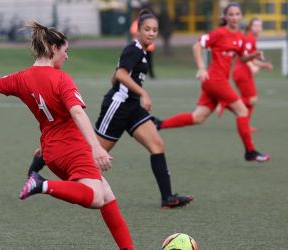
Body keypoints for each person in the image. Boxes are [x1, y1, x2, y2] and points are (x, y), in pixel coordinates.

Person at [0, 21, 134, 249]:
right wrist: (97, 147)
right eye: (65, 51)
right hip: (73, 149)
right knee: (96, 197)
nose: (67, 57)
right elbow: (78, 113)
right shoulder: (61, 79)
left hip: (52, 154)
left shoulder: (21, 78)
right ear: (53, 49)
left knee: (107, 195)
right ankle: (41, 184)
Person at [95, 9, 192, 208]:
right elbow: (121, 75)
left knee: (157, 145)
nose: (151, 33)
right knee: (94, 156)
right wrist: (144, 93)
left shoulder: (142, 51)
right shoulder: (134, 49)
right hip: (118, 106)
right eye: (147, 29)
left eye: (154, 30)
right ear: (138, 30)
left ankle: (168, 198)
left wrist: (135, 93)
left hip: (132, 107)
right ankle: (43, 162)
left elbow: (116, 75)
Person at [155, 3, 270, 162]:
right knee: (242, 111)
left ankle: (159, 124)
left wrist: (253, 56)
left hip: (216, 82)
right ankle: (250, 152)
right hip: (215, 81)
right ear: (225, 17)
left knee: (198, 118)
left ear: (241, 16)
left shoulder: (240, 37)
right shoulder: (219, 33)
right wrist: (202, 68)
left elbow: (242, 57)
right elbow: (197, 45)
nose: (235, 17)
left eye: (237, 14)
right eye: (231, 14)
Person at [232, 17, 273, 132]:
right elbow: (245, 56)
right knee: (251, 100)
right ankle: (227, 102)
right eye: (255, 25)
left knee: (252, 101)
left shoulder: (252, 39)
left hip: (243, 72)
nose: (258, 28)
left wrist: (263, 65)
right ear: (250, 27)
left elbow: (252, 57)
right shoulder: (249, 39)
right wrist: (252, 66)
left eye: (260, 25)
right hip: (242, 72)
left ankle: (245, 125)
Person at [130, 14, 156, 79]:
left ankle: (151, 75)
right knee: (136, 62)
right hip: (139, 47)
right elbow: (133, 31)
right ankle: (136, 75)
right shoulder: (136, 23)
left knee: (149, 62)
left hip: (149, 47)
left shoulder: (150, 23)